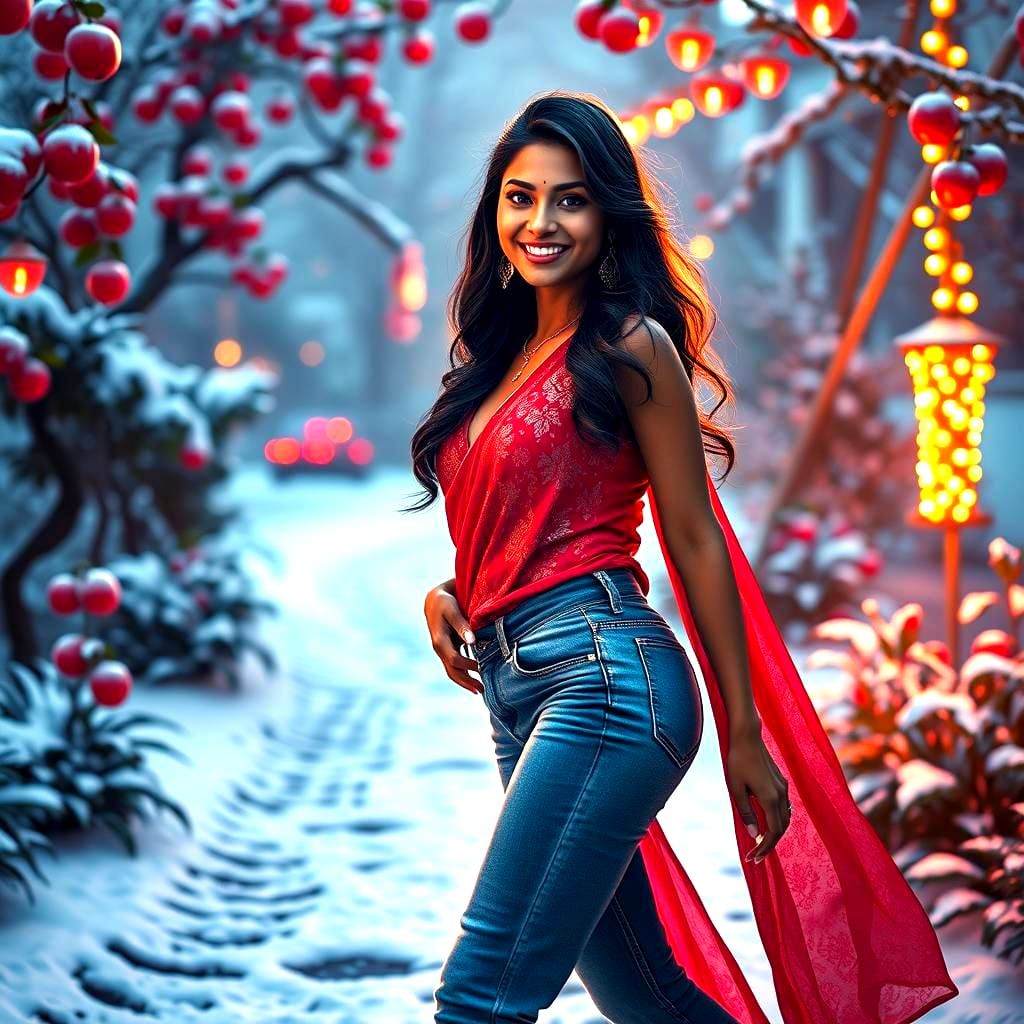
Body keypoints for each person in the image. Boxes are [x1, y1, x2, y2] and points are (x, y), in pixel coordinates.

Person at [405, 91, 958, 1024]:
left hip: (606, 681)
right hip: (517, 688)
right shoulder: (499, 358)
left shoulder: (629, 344)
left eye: (571, 199)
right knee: (647, 995)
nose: (540, 222)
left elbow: (692, 533)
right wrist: (455, 590)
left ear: (609, 211)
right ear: (494, 209)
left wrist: (748, 729)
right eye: (519, 196)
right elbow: (529, 516)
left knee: (481, 993)